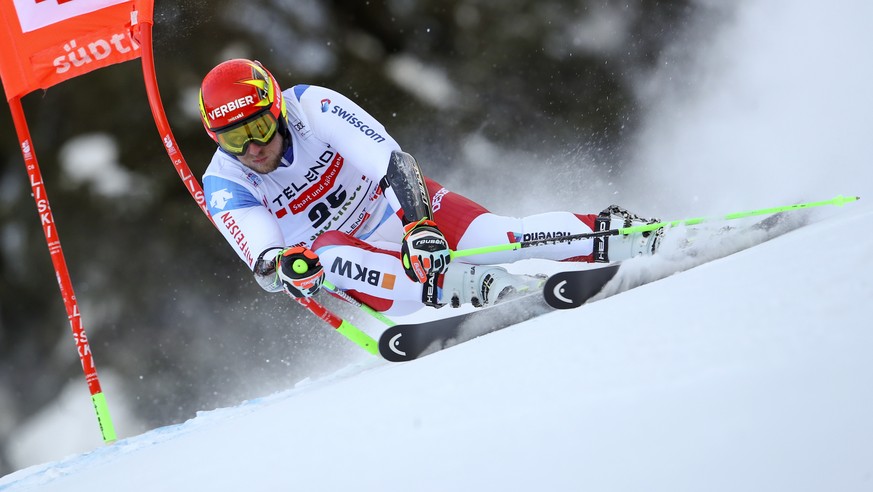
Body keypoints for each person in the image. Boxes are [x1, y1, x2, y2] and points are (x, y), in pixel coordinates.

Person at [199, 59, 660, 316]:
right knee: (325, 251)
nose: (253, 148)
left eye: (258, 127)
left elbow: (391, 161)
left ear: (275, 110)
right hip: (365, 268)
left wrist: (418, 224)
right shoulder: (225, 181)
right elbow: (265, 262)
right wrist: (289, 270)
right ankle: (491, 289)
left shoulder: (311, 106)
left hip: (399, 211)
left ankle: (626, 235)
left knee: (499, 238)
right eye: (234, 139)